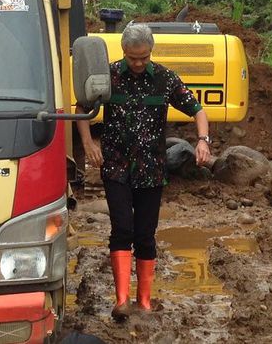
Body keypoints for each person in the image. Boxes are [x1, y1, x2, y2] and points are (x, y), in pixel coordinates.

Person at [75, 23, 211, 320]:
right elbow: (82, 108)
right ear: (124, 52)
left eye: (144, 58)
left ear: (151, 52)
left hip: (151, 169)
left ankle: (145, 302)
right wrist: (88, 143)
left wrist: (203, 141)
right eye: (132, 57)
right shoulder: (107, 76)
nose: (138, 63)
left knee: (146, 236)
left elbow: (197, 110)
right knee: (122, 229)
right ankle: (121, 300)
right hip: (115, 167)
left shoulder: (165, 79)